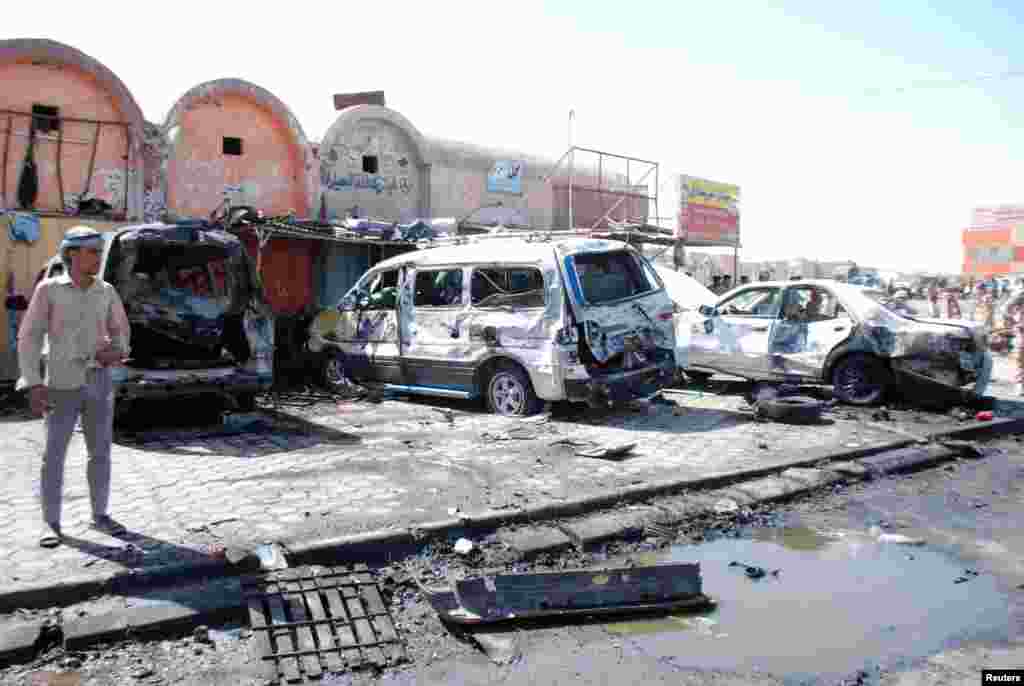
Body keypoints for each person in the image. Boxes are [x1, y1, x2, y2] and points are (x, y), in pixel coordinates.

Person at [17, 227, 131, 548]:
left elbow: (121, 329)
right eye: (92, 251)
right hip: (61, 384)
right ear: (72, 254)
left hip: (98, 382)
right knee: (53, 455)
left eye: (98, 251)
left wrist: (117, 350)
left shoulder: (106, 291)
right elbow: (29, 338)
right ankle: (50, 523)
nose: (97, 257)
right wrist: (34, 383)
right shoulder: (48, 290)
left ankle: (101, 514)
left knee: (101, 452)